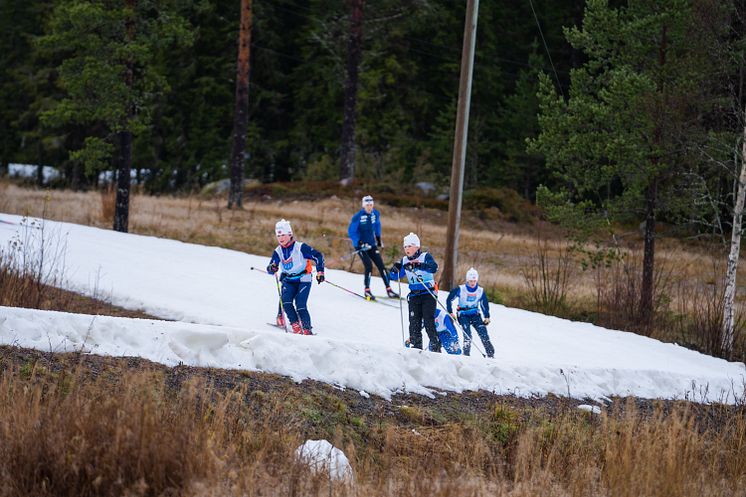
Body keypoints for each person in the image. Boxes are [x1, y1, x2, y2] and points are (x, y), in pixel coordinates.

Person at [267, 219, 325, 335]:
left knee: (300, 305)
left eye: (283, 235)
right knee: (286, 302)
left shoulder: (300, 247)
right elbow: (270, 268)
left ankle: (307, 329)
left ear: (290, 234)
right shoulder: (278, 251)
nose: (281, 238)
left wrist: (320, 272)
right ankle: (296, 326)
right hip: (288, 280)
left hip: (304, 279)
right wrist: (272, 268)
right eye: (278, 235)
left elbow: (318, 256)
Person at [389, 233, 441, 351]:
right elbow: (394, 276)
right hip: (414, 296)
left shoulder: (425, 256)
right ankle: (416, 348)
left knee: (428, 322)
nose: (407, 249)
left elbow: (434, 268)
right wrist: (394, 269)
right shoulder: (404, 260)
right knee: (414, 324)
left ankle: (436, 347)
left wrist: (418, 265)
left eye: (409, 246)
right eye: (405, 246)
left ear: (417, 247)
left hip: (428, 294)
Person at [347, 195, 398, 300]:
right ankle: (367, 290)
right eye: (367, 205)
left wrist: (378, 238)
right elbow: (351, 232)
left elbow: (377, 226)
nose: (369, 207)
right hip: (360, 246)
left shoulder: (375, 214)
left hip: (371, 244)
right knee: (368, 266)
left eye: (371, 205)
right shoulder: (358, 216)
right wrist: (359, 242)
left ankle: (389, 289)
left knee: (381, 266)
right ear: (363, 206)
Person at [446, 268, 495, 358]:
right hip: (463, 314)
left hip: (475, 314)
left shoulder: (480, 291)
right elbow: (449, 299)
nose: (472, 283)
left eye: (474, 281)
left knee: (483, 333)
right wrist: (450, 312)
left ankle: (491, 354)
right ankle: (466, 355)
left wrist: (487, 316)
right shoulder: (461, 289)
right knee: (467, 335)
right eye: (470, 281)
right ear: (467, 280)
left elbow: (484, 304)